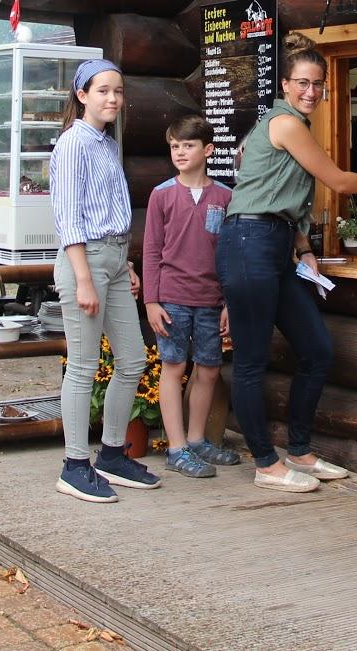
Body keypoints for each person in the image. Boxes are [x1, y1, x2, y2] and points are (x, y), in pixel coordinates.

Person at [216, 47, 357, 493]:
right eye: (302, 82)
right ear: (284, 85)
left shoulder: (288, 125)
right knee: (250, 361)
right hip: (249, 243)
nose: (311, 91)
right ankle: (265, 464)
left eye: (318, 84)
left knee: (317, 350)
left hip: (274, 243)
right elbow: (339, 181)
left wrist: (302, 246)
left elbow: (277, 193)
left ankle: (300, 452)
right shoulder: (285, 123)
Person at [49, 58, 158, 502]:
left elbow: (112, 211)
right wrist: (84, 279)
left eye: (118, 91)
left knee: (132, 359)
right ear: (82, 96)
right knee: (83, 366)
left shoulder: (107, 145)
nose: (112, 98)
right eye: (102, 91)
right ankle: (75, 465)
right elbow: (67, 217)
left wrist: (126, 264)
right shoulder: (73, 144)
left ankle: (111, 454)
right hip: (85, 262)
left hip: (112, 259)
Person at [143, 114, 241, 478]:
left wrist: (229, 302)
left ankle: (198, 440)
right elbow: (151, 251)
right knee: (173, 366)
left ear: (208, 150)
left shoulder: (226, 197)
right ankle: (177, 447)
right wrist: (151, 301)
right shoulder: (162, 195)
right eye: (174, 146)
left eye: (188, 145)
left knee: (210, 368)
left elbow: (231, 254)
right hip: (171, 297)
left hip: (212, 299)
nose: (180, 152)